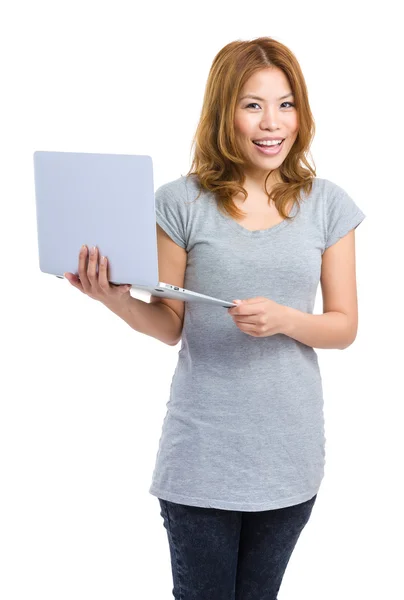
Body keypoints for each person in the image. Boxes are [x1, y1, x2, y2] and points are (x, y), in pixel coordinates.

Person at [64, 36, 366, 600]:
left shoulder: (328, 204)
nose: (272, 122)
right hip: (202, 457)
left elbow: (344, 325)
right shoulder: (181, 202)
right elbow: (169, 324)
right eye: (252, 104)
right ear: (223, 111)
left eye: (286, 103)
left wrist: (286, 319)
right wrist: (112, 297)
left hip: (289, 456)